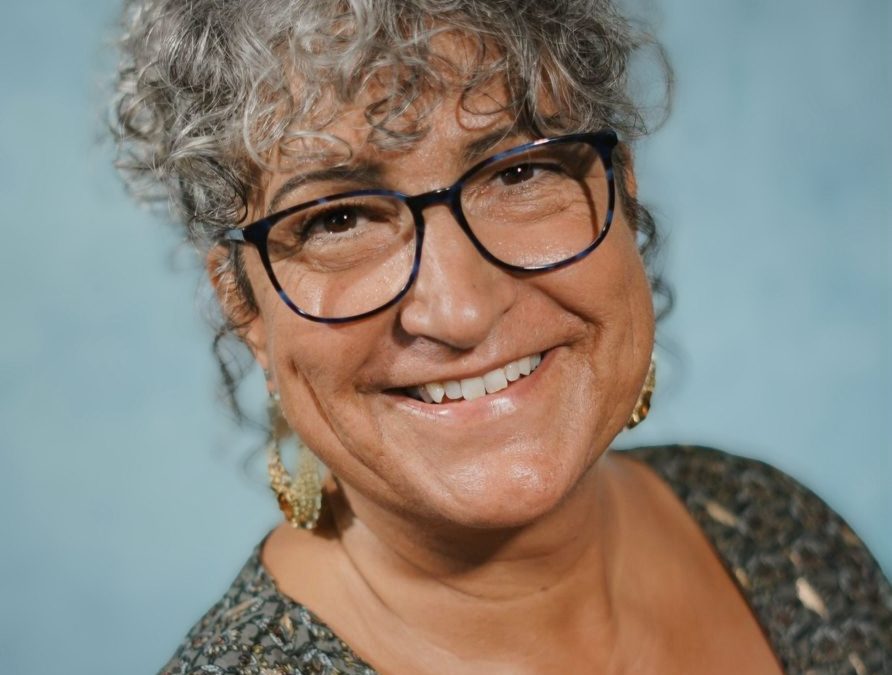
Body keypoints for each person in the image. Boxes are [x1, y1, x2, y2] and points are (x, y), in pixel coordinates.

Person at [112, 0, 891, 672]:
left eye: (518, 172)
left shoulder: (775, 526)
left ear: (621, 192)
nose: (460, 311)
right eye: (339, 219)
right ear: (244, 307)